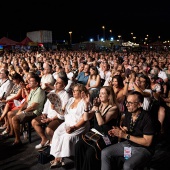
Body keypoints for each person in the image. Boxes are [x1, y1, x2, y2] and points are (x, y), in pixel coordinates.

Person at [101, 91, 156, 170]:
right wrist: (118, 132)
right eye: (127, 102)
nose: (127, 105)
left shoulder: (148, 118)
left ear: (140, 104)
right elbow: (126, 129)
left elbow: (147, 142)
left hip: (143, 148)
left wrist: (125, 136)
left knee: (128, 165)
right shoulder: (129, 113)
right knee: (105, 152)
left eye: (130, 103)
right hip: (129, 144)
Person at [75, 86, 120, 170]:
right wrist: (86, 104)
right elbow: (86, 118)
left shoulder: (114, 108)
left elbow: (101, 122)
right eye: (100, 93)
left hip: (107, 137)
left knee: (90, 152)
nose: (100, 95)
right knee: (78, 146)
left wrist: (96, 109)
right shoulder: (98, 105)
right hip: (95, 133)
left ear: (109, 96)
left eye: (103, 93)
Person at [49, 83, 90, 168]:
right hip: (67, 122)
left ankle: (65, 157)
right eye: (73, 90)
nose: (73, 92)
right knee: (57, 133)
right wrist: (56, 108)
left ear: (81, 92)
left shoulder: (85, 102)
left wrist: (74, 127)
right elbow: (63, 113)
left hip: (79, 125)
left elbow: (84, 119)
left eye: (75, 91)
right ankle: (58, 158)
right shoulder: (71, 100)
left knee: (67, 137)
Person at [31, 73, 70, 149]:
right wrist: (44, 114)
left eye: (58, 83)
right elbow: (46, 104)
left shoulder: (66, 95)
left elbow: (62, 113)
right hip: (48, 115)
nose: (55, 84)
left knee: (48, 130)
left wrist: (51, 119)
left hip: (58, 118)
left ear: (64, 85)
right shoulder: (52, 92)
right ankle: (44, 139)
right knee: (34, 122)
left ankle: (54, 144)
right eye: (56, 82)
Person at [11, 73, 46, 146]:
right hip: (28, 110)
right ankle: (12, 131)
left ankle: (18, 140)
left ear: (36, 83)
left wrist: (22, 112)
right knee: (10, 114)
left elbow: (33, 107)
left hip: (34, 112)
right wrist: (21, 109)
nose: (29, 82)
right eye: (29, 81)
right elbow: (27, 102)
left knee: (15, 118)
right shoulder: (33, 90)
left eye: (31, 81)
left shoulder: (39, 91)